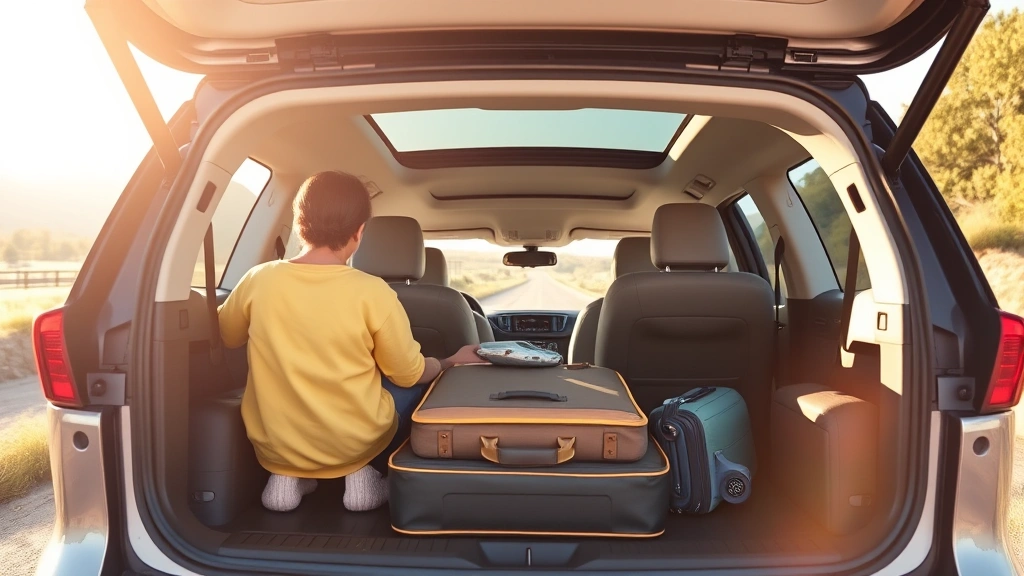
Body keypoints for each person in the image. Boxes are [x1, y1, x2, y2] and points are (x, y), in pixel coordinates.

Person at [217, 171, 482, 513]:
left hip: (274, 442)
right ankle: (361, 479)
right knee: (409, 388)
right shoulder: (373, 293)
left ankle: (283, 484)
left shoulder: (258, 279)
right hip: (353, 444)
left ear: (299, 224)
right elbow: (409, 374)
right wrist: (448, 362)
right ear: (358, 232)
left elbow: (229, 336)